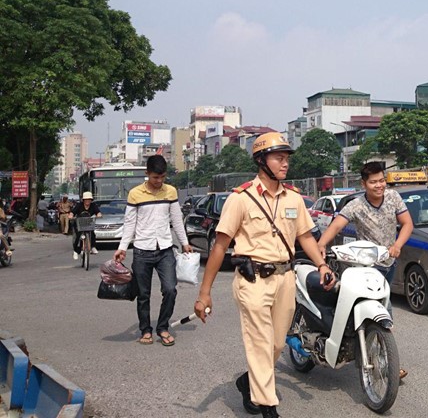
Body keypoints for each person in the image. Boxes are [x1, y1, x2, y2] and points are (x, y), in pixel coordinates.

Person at [194, 132, 335, 418]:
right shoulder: (241, 198)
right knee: (260, 343)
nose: (285, 164)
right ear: (261, 161)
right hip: (252, 280)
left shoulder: (294, 197)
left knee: (277, 344)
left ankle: (248, 382)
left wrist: (322, 265)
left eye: (286, 159)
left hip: (285, 278)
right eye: (279, 158)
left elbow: (305, 236)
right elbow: (220, 246)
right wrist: (204, 293)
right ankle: (269, 408)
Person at [316, 161, 414, 379]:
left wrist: (397, 246)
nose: (379, 186)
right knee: (357, 309)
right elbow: (336, 225)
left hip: (388, 263)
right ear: (364, 183)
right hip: (364, 267)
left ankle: (384, 358)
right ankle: (364, 352)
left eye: (381, 181)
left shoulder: (393, 197)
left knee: (384, 312)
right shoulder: (356, 205)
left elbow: (407, 224)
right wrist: (322, 244)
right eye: (373, 182)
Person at [113, 155, 192, 347]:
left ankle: (163, 327)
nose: (159, 181)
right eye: (155, 177)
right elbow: (130, 223)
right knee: (143, 294)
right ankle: (145, 330)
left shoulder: (171, 192)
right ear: (147, 174)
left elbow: (176, 219)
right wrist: (122, 247)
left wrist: (185, 242)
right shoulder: (135, 194)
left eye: (162, 177)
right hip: (142, 250)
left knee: (170, 290)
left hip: (165, 250)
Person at [71, 192, 102, 260]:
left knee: (92, 234)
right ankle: (76, 251)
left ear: (91, 200)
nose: (87, 201)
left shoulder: (93, 205)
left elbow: (98, 212)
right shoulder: (79, 205)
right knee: (78, 236)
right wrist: (71, 216)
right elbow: (72, 212)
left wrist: (99, 215)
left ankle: (93, 247)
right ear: (83, 200)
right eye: (86, 199)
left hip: (89, 223)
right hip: (79, 223)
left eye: (89, 199)